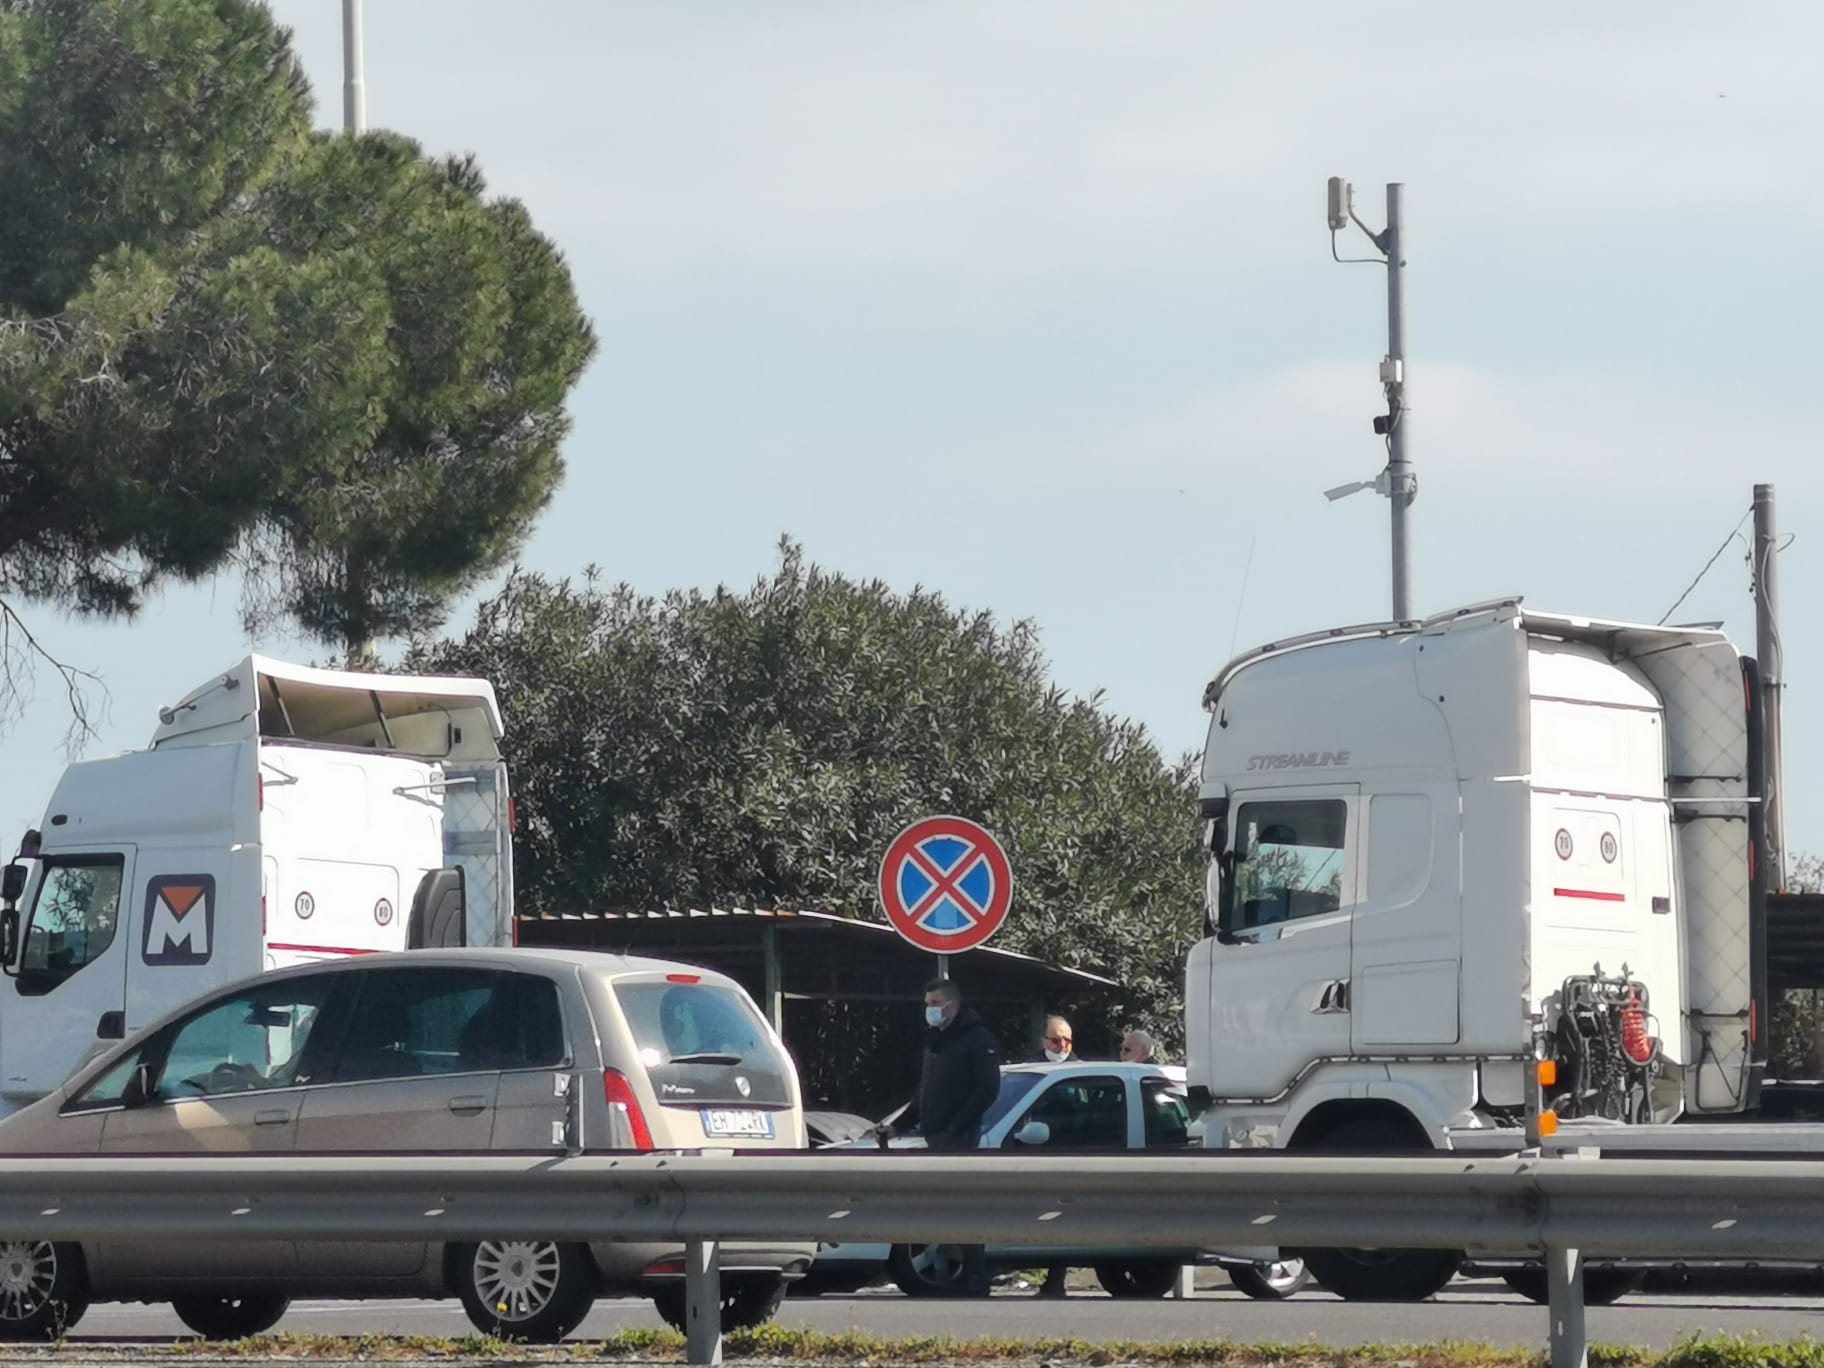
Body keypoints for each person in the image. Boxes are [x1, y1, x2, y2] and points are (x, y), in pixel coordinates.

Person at [917, 977, 1001, 1297]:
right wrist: (902, 1123)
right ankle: (956, 1272)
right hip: (935, 1136)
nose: (930, 1010)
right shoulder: (937, 1041)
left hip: (959, 1138)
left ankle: (976, 1276)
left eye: (935, 1004)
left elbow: (987, 1090)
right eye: (927, 1004)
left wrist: (956, 1126)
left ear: (952, 1006)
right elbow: (925, 1091)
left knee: (962, 1206)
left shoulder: (977, 1039)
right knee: (948, 1208)